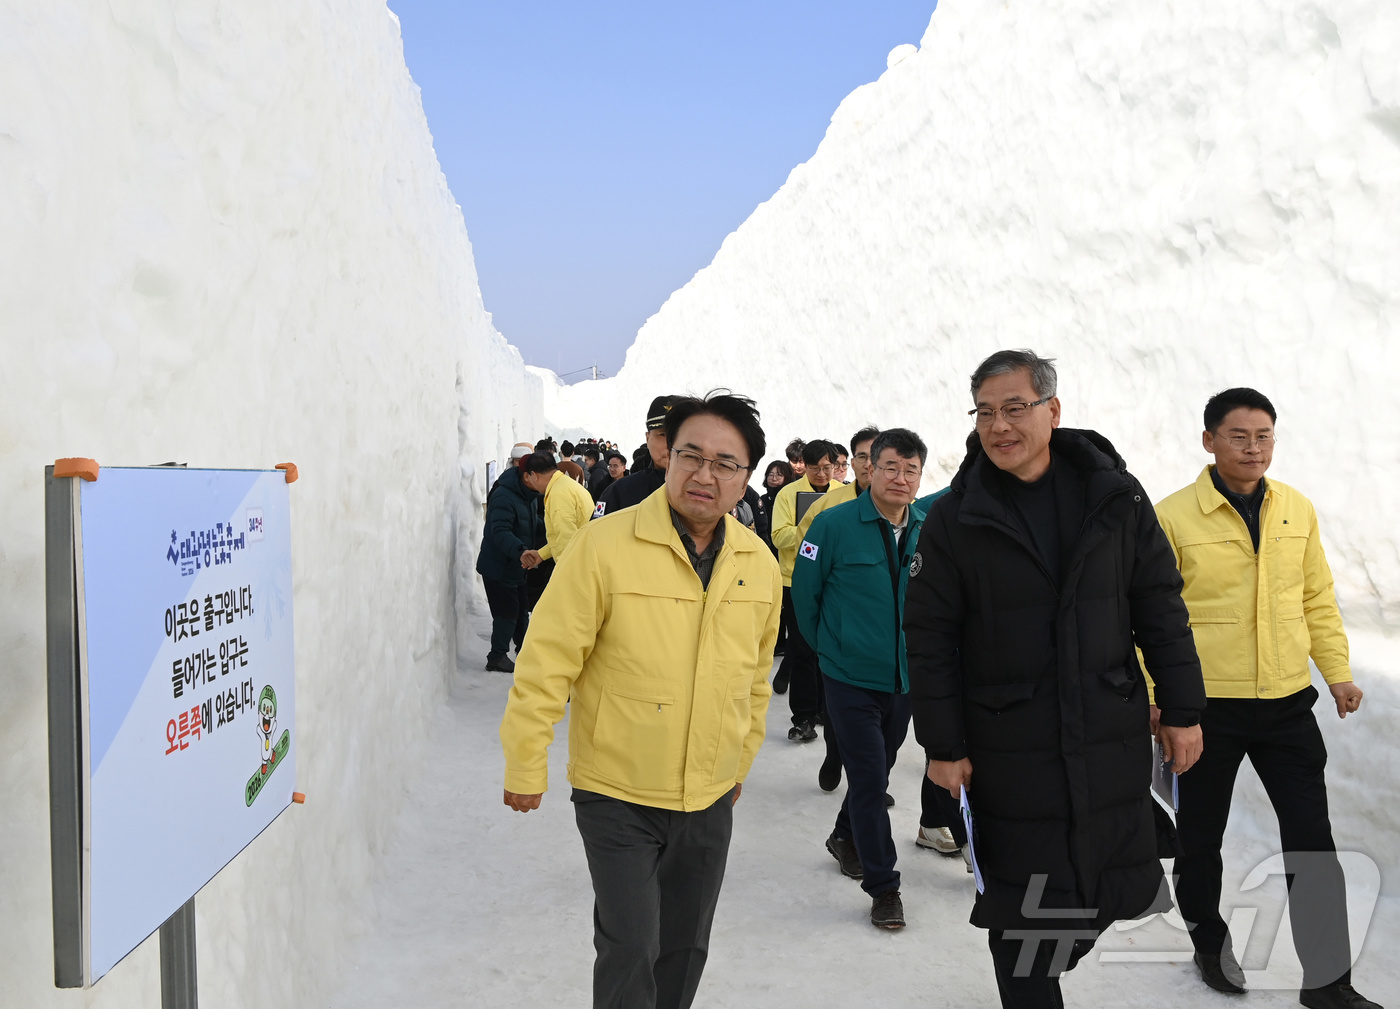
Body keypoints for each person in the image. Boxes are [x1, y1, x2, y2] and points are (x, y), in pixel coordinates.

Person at [904, 349, 1207, 1009]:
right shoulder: (958, 519)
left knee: (1099, 887)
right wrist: (944, 743)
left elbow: (1159, 604)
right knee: (1018, 920)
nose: (999, 425)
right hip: (1009, 746)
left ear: (1053, 410)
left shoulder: (1113, 497)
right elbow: (929, 640)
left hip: (1105, 733)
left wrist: (1183, 706)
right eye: (985, 412)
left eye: (1014, 408)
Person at [500, 391, 781, 1009]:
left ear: (746, 478)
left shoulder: (756, 563)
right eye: (691, 455)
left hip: (709, 793)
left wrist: (740, 760)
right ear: (667, 458)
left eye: (726, 463)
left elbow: (755, 676)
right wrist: (526, 761)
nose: (704, 474)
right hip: (617, 791)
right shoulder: (605, 546)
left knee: (685, 946)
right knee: (630, 945)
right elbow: (547, 661)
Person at [1153, 389, 1381, 1009]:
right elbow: (1152, 616)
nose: (1253, 449)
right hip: (1207, 709)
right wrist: (1159, 701)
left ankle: (1328, 981)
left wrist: (1336, 673)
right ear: (1208, 440)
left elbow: (1316, 599)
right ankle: (1207, 936)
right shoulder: (1172, 516)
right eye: (1238, 436)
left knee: (1312, 840)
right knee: (1201, 834)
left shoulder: (1296, 510)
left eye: (1264, 437)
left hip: (1286, 705)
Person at [792, 428, 928, 930]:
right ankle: (884, 887)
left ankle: (844, 832)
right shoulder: (833, 525)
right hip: (848, 677)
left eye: (909, 470)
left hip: (903, 678)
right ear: (870, 469)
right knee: (870, 778)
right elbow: (805, 600)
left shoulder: (927, 528)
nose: (899, 478)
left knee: (880, 770)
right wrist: (833, 649)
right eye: (889, 467)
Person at [792, 426, 880, 789]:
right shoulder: (828, 506)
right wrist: (819, 637)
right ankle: (835, 754)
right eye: (862, 456)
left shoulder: (904, 509)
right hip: (839, 628)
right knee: (839, 705)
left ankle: (874, 780)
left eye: (879, 456)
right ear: (851, 463)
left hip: (881, 631)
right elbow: (806, 574)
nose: (870, 464)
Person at [769, 439, 837, 732]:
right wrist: (811, 527)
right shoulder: (788, 495)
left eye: (826, 468)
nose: (821, 474)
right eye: (814, 468)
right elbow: (778, 537)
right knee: (803, 649)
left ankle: (827, 710)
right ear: (803, 467)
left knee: (832, 647)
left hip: (835, 582)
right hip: (796, 581)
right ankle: (804, 716)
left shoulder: (844, 494)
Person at [475, 448, 542, 673]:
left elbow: (530, 524)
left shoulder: (528, 494)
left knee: (522, 609)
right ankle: (496, 656)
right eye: (541, 477)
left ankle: (524, 652)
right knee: (507, 612)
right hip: (499, 565)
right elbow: (500, 531)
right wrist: (521, 551)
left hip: (516, 565)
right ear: (527, 475)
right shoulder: (505, 495)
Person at [593, 395, 676, 518]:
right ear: (648, 438)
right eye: (662, 434)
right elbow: (594, 533)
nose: (671, 444)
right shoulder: (619, 493)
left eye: (679, 434)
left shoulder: (708, 492)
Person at [519, 452, 596, 572]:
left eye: (528, 477)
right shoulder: (565, 484)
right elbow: (560, 537)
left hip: (577, 568)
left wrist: (564, 574)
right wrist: (541, 554)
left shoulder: (558, 494)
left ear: (534, 475)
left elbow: (566, 539)